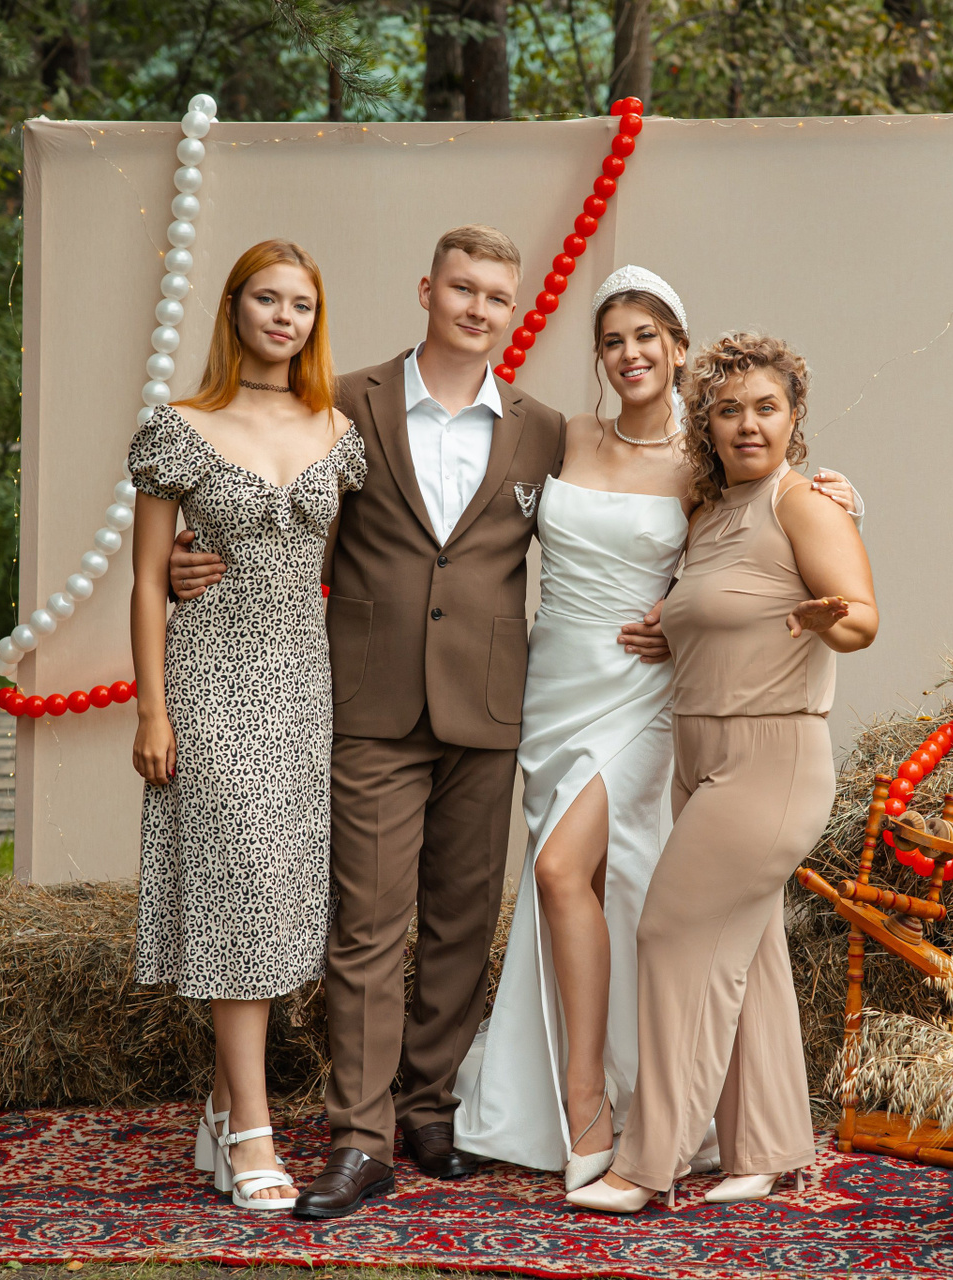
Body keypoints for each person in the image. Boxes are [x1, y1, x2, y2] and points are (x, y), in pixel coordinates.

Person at [166, 227, 666, 1220]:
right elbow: (266, 488)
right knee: (366, 923)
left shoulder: (544, 430)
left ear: (513, 311)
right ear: (427, 289)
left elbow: (651, 481)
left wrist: (810, 491)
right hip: (370, 700)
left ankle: (430, 1107)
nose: (478, 308)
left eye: (497, 296)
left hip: (493, 702)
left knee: (461, 922)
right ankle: (361, 1136)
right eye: (463, 288)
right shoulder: (343, 402)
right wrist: (197, 550)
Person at [451, 268, 859, 1191]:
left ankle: (593, 1107)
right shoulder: (564, 436)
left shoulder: (707, 457)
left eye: (648, 337)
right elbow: (477, 525)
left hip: (645, 693)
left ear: (679, 349)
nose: (630, 354)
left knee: (567, 873)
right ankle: (669, 1112)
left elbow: (761, 538)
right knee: (594, 887)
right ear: (599, 357)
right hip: (555, 687)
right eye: (612, 340)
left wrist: (844, 503)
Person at [567, 331, 878, 1213]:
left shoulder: (804, 503)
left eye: (766, 408)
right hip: (699, 755)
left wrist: (826, 619)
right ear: (705, 423)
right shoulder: (708, 514)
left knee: (670, 933)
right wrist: (671, 629)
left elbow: (862, 619)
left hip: (769, 759)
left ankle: (647, 1162)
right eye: (729, 409)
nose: (749, 424)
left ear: (793, 416)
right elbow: (717, 614)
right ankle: (765, 1147)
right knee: (753, 954)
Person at [127, 239, 365, 1213]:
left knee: (279, 894)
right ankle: (255, 1133)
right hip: (211, 680)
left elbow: (333, 566)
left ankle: (223, 1110)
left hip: (301, 682)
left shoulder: (338, 430)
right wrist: (152, 707)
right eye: (267, 299)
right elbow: (147, 580)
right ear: (234, 308)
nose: (283, 318)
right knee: (242, 891)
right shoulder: (179, 429)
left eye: (300, 305)